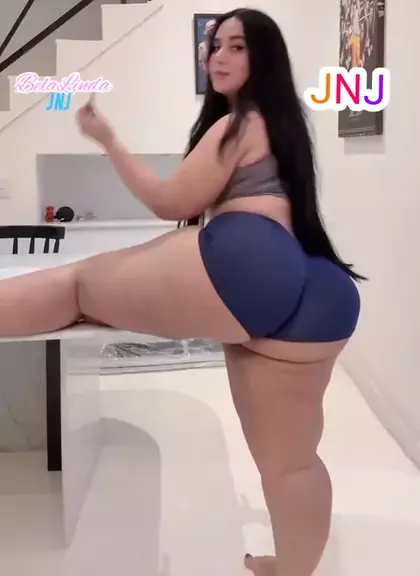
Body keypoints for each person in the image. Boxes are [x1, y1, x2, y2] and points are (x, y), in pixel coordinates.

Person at [0, 8, 364, 576]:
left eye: (236, 46)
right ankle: (292, 569)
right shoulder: (286, 127)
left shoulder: (240, 123)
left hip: (247, 261)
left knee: (76, 287)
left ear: (263, 58)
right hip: (319, 290)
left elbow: (171, 203)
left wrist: (108, 139)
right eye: (214, 45)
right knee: (291, 463)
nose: (218, 56)